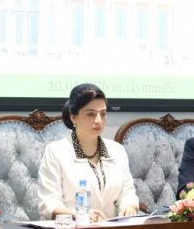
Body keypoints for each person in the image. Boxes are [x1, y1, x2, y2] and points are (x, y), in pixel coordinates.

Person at [38, 83, 139, 221]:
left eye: (103, 114)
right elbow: (48, 204)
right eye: (91, 114)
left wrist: (129, 206)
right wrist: (78, 215)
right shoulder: (55, 152)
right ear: (73, 117)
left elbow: (127, 193)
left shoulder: (117, 151)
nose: (98, 120)